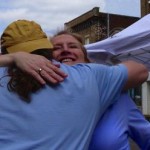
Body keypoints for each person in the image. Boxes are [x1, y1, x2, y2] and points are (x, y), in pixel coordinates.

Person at [0, 20, 148, 150]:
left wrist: (11, 57)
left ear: (86, 56)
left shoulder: (108, 87)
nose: (65, 50)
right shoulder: (92, 77)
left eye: (73, 46)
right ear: (49, 54)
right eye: (57, 48)